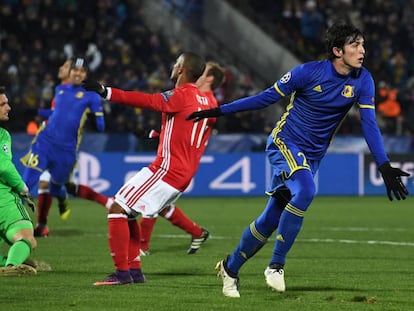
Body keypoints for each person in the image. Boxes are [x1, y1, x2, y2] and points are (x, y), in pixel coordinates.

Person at [186, 21, 410, 297]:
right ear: (338, 51)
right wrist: (218, 111)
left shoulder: (363, 79)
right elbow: (265, 98)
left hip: (312, 156)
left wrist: (384, 164)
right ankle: (276, 265)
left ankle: (230, 268)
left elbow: (370, 124)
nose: (363, 50)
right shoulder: (307, 72)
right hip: (285, 142)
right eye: (356, 45)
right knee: (306, 190)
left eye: (363, 44)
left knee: (271, 218)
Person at [83, 51, 218, 286]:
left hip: (167, 169)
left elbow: (147, 101)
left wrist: (107, 92)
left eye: (177, 63)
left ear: (182, 70)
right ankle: (134, 271)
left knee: (117, 208)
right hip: (181, 172)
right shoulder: (204, 99)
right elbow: (190, 133)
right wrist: (161, 135)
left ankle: (122, 274)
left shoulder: (181, 94)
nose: (173, 65)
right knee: (128, 212)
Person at [138, 61, 226, 255]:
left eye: (203, 72)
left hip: (181, 163)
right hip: (178, 159)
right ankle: (197, 232)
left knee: (150, 199)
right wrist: (159, 136)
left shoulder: (208, 104)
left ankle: (141, 246)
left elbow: (188, 135)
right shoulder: (200, 98)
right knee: (160, 203)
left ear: (210, 78)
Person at [21, 57, 105, 237]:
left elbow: (100, 126)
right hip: (44, 142)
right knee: (26, 184)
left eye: (81, 71)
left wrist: (96, 117)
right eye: (74, 69)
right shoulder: (59, 90)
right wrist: (36, 112)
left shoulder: (90, 95)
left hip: (66, 151)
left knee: (56, 186)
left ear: (86, 75)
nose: (76, 72)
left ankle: (61, 200)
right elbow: (57, 113)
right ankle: (16, 223)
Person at [0, 86, 38, 276]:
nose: (8, 107)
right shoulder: (1, 134)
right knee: (27, 238)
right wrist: (22, 188)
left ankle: (5, 260)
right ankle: (10, 266)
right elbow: (4, 166)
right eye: (3, 104)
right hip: (2, 199)